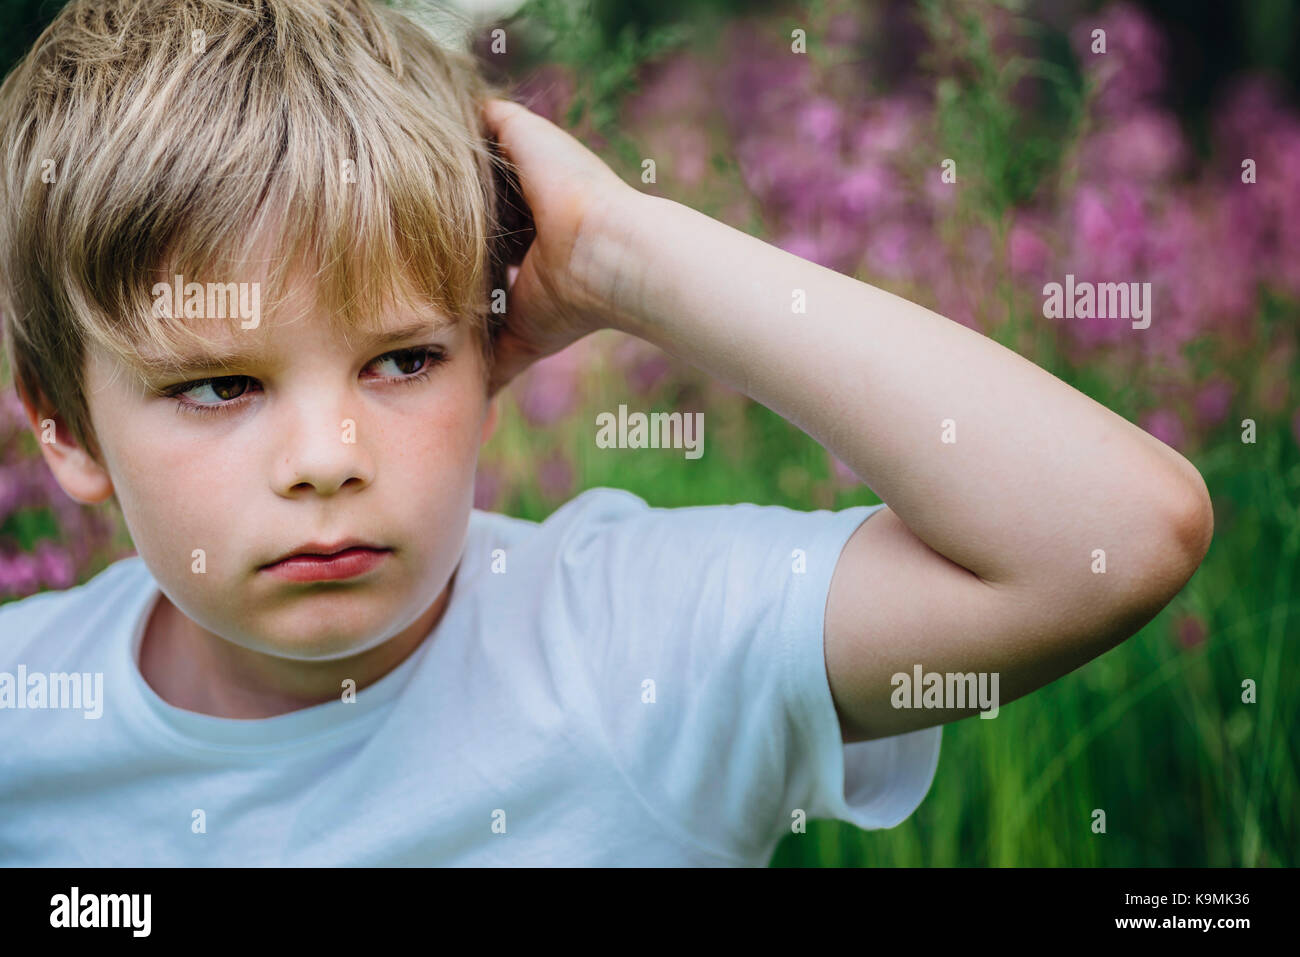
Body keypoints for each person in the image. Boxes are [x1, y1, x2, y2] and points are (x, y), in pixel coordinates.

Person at [0, 0, 1212, 866]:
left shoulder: (633, 646)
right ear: (65, 427)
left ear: (489, 365)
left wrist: (625, 252)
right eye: (218, 386)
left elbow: (1117, 532)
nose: (327, 458)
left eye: (406, 360)